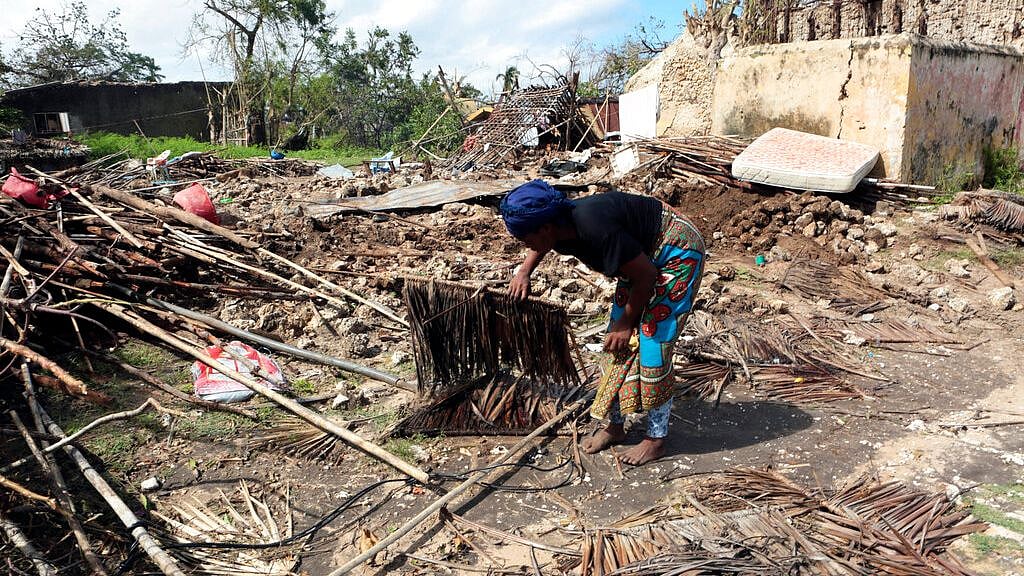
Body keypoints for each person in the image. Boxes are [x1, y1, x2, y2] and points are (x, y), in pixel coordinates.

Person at [500, 180, 705, 466]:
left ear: (546, 227)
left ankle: (655, 440)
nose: (526, 246)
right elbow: (541, 244)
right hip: (636, 258)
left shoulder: (594, 229)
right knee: (614, 344)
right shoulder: (558, 228)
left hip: (675, 250)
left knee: (653, 340)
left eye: (525, 240)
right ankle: (616, 426)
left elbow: (646, 276)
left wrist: (627, 324)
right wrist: (524, 271)